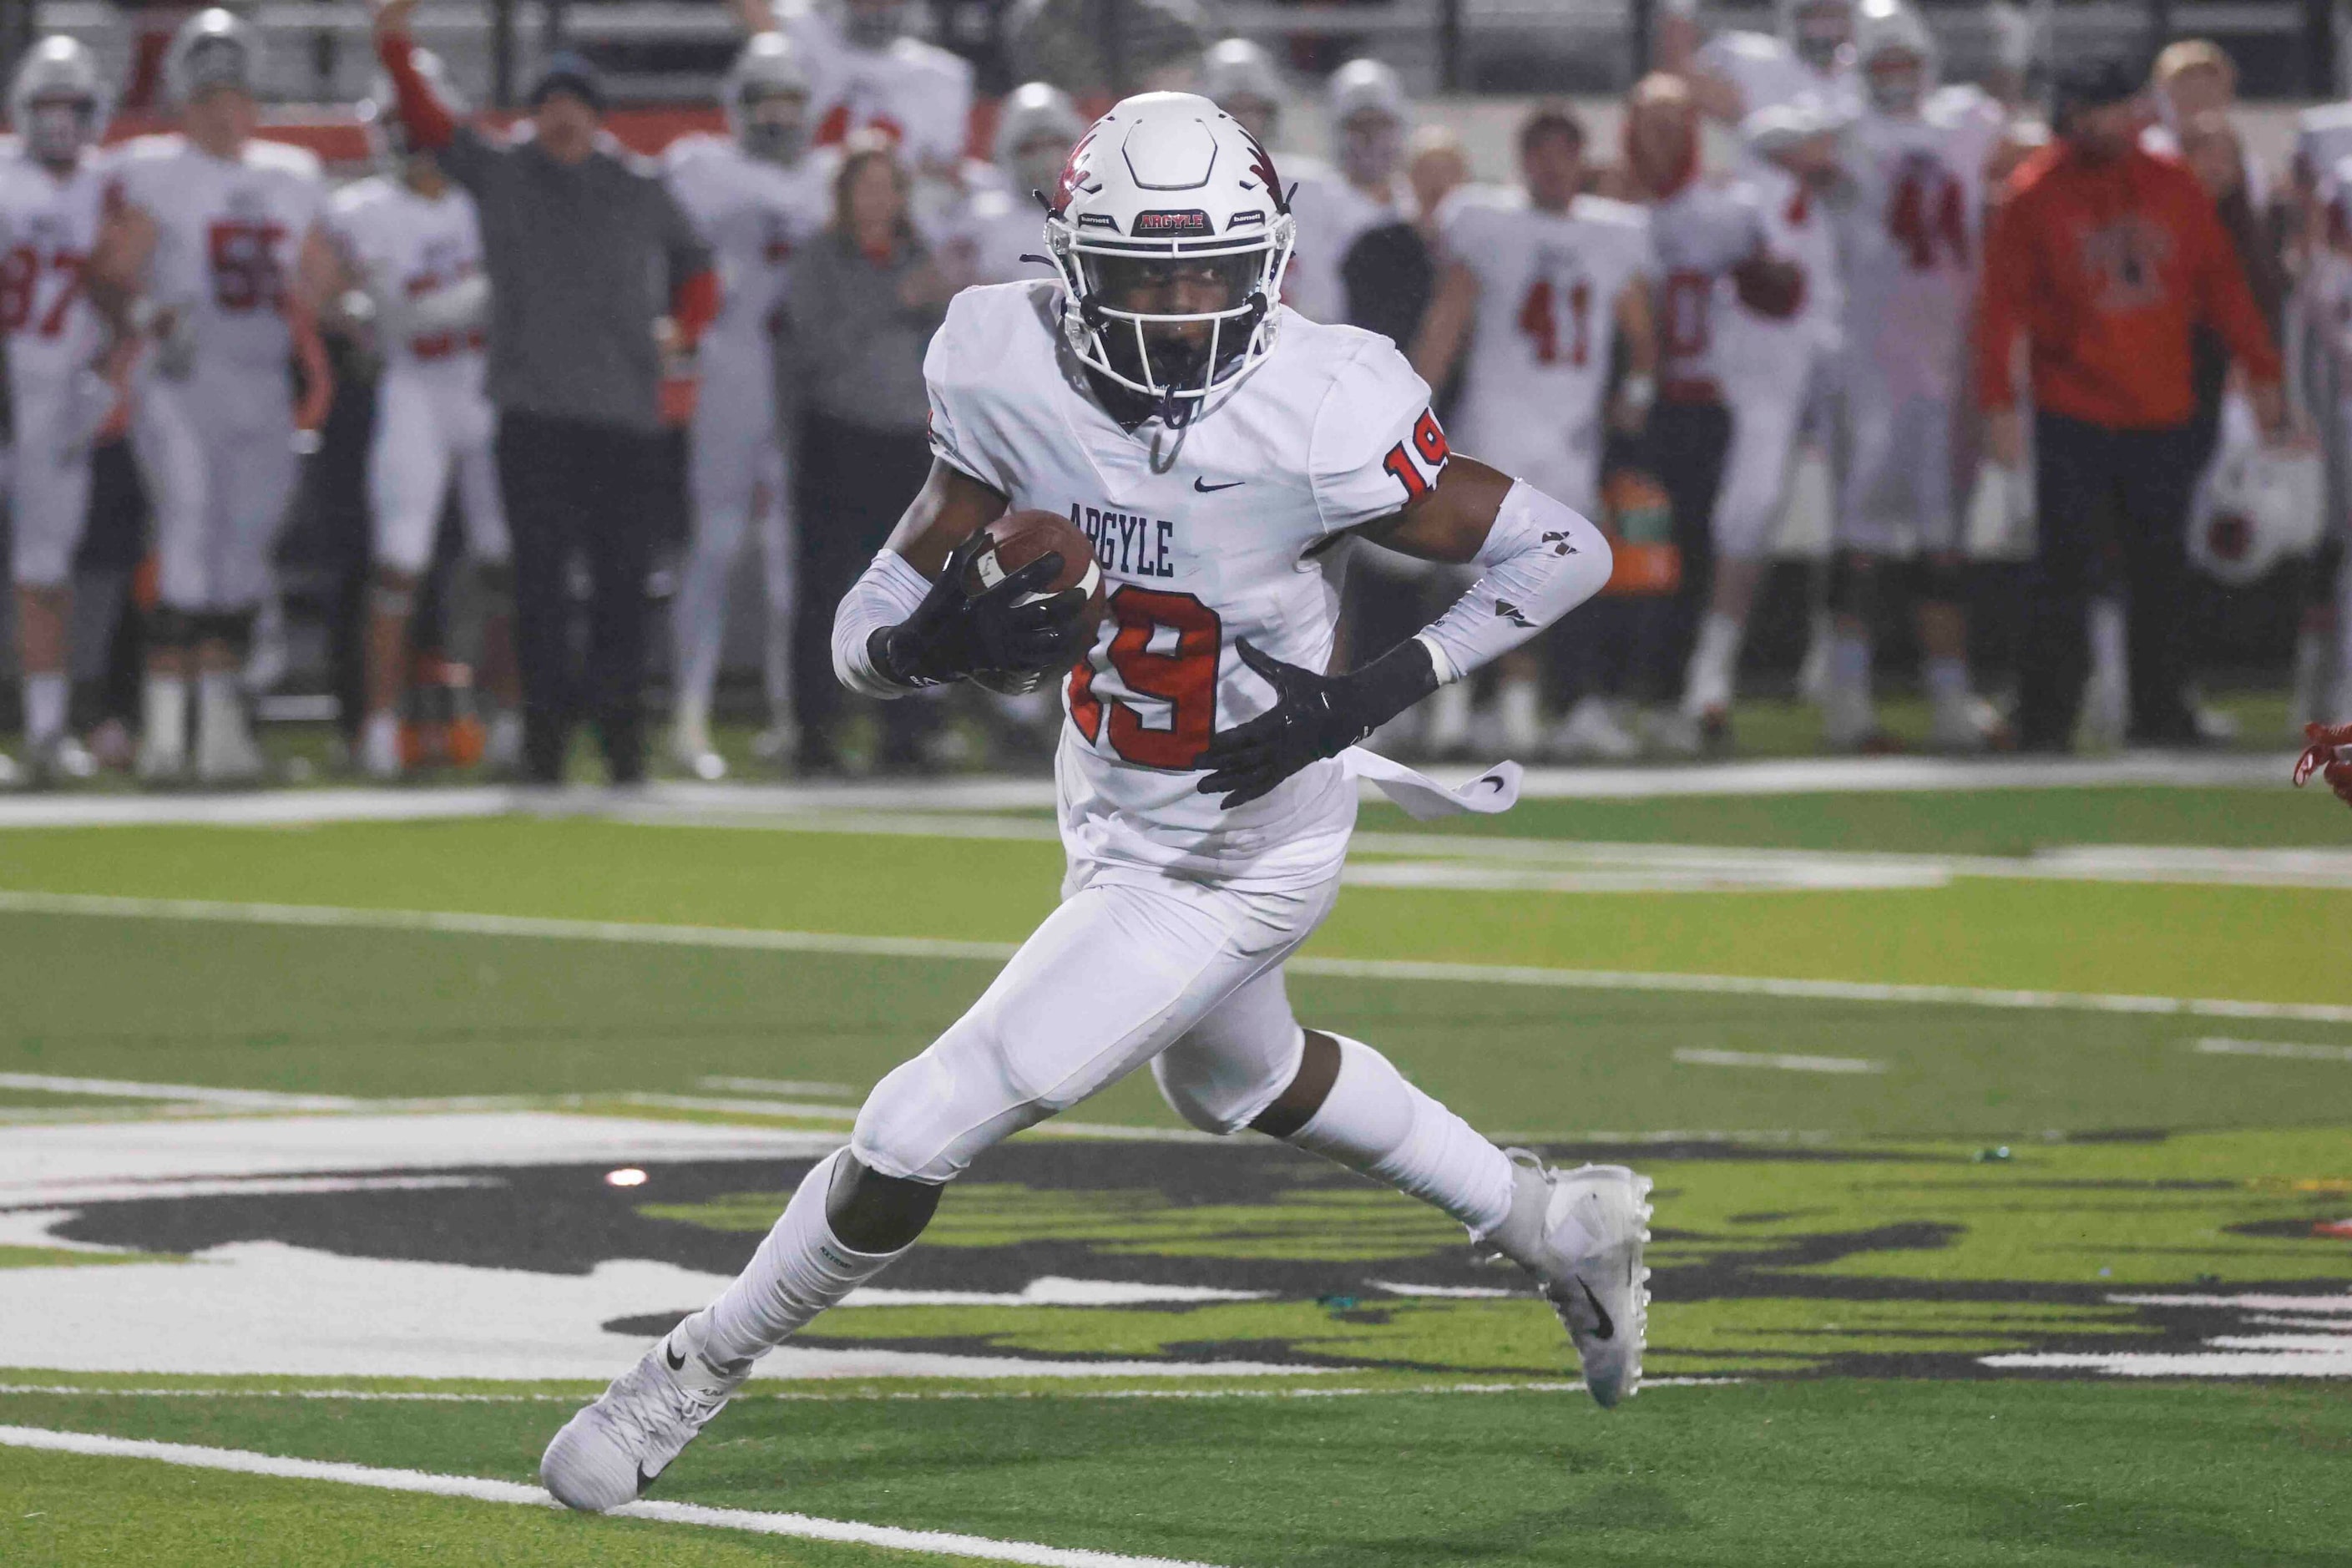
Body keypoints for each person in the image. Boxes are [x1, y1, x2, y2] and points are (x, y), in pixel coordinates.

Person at [539, 91, 1648, 1514]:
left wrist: (1365, 692)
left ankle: (682, 1375)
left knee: (926, 1116)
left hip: (1241, 845)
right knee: (1238, 1076)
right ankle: (1555, 1225)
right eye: (1146, 274)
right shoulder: (1004, 361)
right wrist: (933, 644)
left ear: (1268, 262)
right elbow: (862, 620)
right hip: (1114, 799)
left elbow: (1565, 546)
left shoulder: (1323, 403)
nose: (1184, 309)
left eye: (1209, 272)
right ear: (1072, 267)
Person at [372, 1, 717, 786]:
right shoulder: (503, 174)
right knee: (539, 591)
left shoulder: (636, 184)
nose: (562, 119)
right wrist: (394, 46)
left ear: (596, 118)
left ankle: (623, 741)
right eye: (550, 106)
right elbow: (431, 125)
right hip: (534, 416)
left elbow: (698, 264)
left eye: (575, 106)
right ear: (534, 117)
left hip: (625, 418)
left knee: (623, 588)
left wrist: (684, 328)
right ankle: (545, 743)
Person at [1976, 58, 2288, 751]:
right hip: (2073, 406)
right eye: (2087, 110)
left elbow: (2222, 290)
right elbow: (2000, 311)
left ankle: (2159, 711)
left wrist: (2263, 372)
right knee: (2063, 568)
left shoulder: (2170, 185)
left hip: (2159, 407)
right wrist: (1997, 402)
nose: (2097, 123)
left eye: (2107, 108)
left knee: (2160, 571)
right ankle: (2044, 715)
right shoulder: (2033, 194)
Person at [89, 8, 335, 786]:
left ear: (254, 100)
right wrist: (142, 316)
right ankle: (165, 734)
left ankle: (222, 734)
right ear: (180, 103)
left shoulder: (291, 175)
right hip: (182, 380)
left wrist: (351, 303)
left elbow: (320, 279)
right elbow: (107, 269)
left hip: (261, 382)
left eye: (233, 95)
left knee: (241, 559)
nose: (223, 111)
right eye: (206, 98)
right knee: (189, 542)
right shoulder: (153, 170)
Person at [1412, 102, 1658, 759]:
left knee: (1541, 580)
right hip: (1493, 426)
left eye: (1564, 151)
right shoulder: (1487, 220)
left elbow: (1639, 331)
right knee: (1465, 576)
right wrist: (1413, 402)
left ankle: (1516, 709)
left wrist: (1636, 391)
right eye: (1540, 151)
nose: (1552, 164)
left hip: (1568, 436)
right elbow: (1448, 316)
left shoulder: (1612, 233)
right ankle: (1453, 705)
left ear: (1582, 161)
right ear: (1523, 160)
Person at [317, 49, 521, 781]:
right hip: (414, 388)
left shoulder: (485, 197)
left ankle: (510, 723)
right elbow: (322, 293)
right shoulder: (360, 209)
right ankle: (377, 728)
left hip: (485, 384)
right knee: (398, 564)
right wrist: (358, 316)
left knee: (503, 563)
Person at [1819, 0, 2013, 752]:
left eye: (1906, 63)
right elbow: (1773, 141)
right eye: (1883, 65)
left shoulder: (1964, 122)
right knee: (1858, 544)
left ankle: (1949, 698)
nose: (1895, 79)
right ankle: (1846, 697)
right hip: (1869, 363)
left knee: (1943, 543)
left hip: (1946, 363)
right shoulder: (1843, 132)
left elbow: (2017, 143)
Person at [663, 33, 831, 780]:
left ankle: (795, 713)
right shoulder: (704, 164)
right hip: (734, 363)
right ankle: (687, 713)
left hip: (806, 374)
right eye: (764, 99)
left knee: (797, 559)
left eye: (790, 101)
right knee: (717, 544)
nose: (777, 116)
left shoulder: (829, 172)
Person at [784, 136, 956, 772]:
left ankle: (906, 731)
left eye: (889, 187)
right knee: (828, 589)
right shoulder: (818, 259)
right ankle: (816, 733)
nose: (879, 199)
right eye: (867, 186)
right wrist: (896, 302)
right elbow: (809, 346)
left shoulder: (921, 257)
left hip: (909, 442)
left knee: (913, 592)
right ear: (845, 194)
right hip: (836, 434)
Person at [1, 37, 120, 786]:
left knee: (48, 572)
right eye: (44, 107)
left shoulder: (112, 187)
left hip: (65, 398)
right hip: (9, 387)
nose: (57, 124)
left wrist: (112, 375)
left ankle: (47, 731)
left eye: (69, 107)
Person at [733, 0, 973, 182]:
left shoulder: (944, 75)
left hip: (891, 213)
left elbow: (941, 170)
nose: (880, 9)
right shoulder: (803, 38)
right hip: (803, 199)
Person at [1282, 58, 1414, 326]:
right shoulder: (1308, 195)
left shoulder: (1416, 207)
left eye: (1381, 125)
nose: (1371, 138)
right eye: (1359, 126)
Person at [944, 80, 1081, 288]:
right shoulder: (980, 221)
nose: (1045, 158)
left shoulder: (1098, 213)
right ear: (1008, 153)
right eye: (1029, 148)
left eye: (1054, 143)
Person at [1685, 0, 1861, 128]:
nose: (1826, 28)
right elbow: (1689, 76)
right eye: (1817, 15)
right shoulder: (1752, 58)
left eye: (1835, 16)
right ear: (1797, 17)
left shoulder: (1861, 77)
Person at [1198, 35, 1284, 146]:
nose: (1244, 119)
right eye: (1233, 109)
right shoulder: (1186, 162)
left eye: (1252, 109)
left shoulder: (1290, 163)